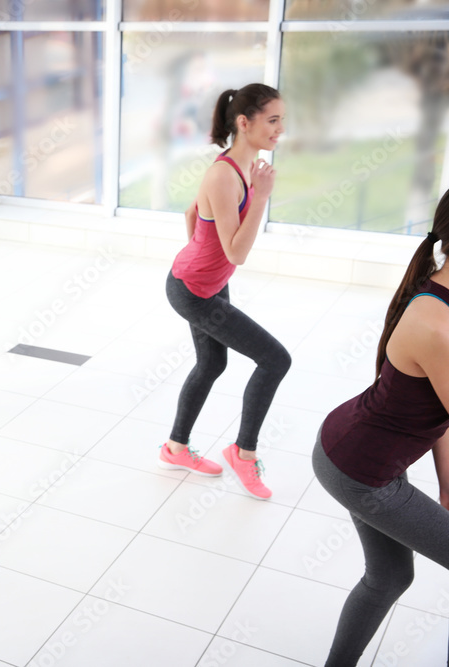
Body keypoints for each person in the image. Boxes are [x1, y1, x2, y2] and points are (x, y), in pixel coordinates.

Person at [313, 190, 449, 666]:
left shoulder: (440, 296)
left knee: (390, 577)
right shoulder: (437, 324)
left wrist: (447, 488)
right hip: (360, 467)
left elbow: (442, 417)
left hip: (357, 449)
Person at [160, 84, 291, 499]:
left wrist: (204, 255)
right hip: (194, 291)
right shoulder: (225, 175)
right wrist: (262, 199)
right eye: (272, 121)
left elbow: (191, 213)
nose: (280, 130)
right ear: (244, 122)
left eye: (281, 121)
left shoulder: (243, 166)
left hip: (208, 284)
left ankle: (174, 448)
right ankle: (243, 454)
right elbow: (237, 251)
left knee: (211, 365)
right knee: (274, 359)